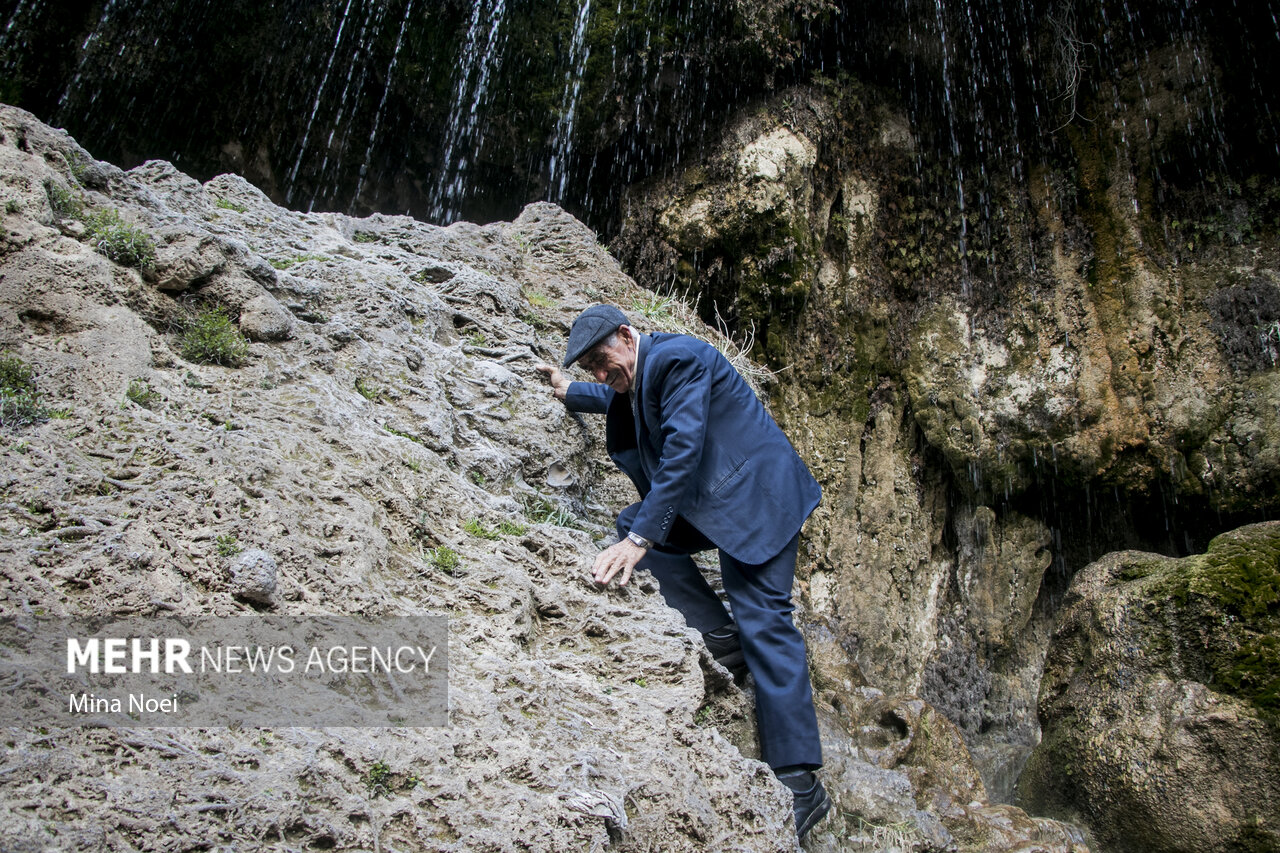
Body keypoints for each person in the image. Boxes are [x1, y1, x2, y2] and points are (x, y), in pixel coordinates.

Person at [536, 304, 831, 840]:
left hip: (760, 501)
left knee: (764, 616)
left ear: (627, 336)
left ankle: (801, 783)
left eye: (603, 361)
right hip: (716, 505)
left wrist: (640, 541)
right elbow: (618, 396)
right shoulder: (640, 369)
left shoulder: (678, 358)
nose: (602, 374)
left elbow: (683, 452)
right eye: (592, 369)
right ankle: (722, 638)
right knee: (635, 522)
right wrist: (567, 390)